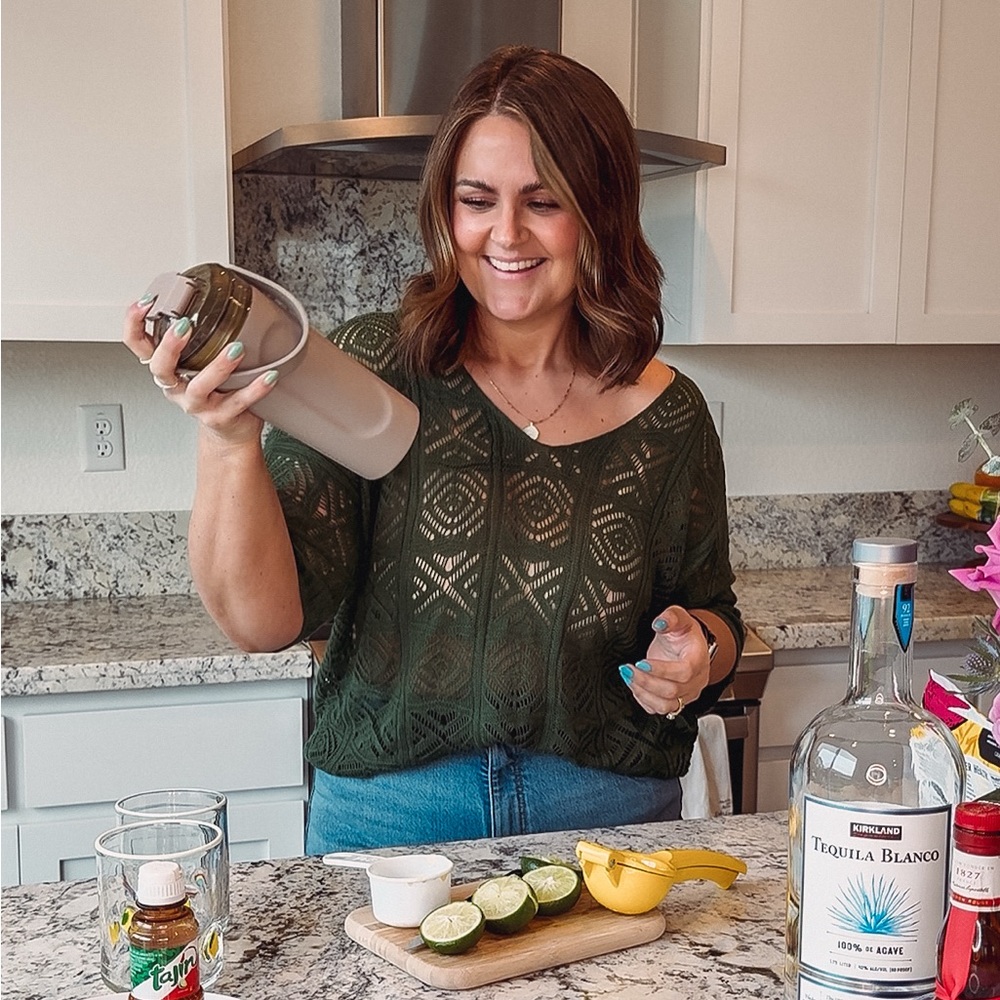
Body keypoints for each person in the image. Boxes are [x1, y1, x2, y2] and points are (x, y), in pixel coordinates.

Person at [123, 45, 743, 853]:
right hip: (389, 819)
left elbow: (716, 616)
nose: (505, 234)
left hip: (608, 819)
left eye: (543, 201)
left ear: (601, 209)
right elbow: (261, 622)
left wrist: (697, 652)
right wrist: (229, 439)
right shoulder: (370, 374)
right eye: (476, 199)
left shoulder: (671, 416)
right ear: (446, 212)